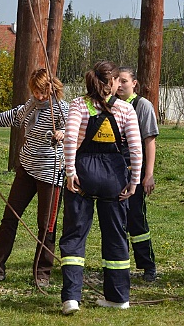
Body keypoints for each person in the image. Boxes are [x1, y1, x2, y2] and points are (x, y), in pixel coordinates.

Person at [0, 68, 69, 288]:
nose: (40, 96)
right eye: (35, 91)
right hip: (26, 169)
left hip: (50, 174)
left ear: (52, 88)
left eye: (43, 92)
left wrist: (63, 134)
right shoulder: (30, 106)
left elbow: (74, 130)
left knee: (46, 226)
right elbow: (11, 116)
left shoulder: (62, 110)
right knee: (9, 217)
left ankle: (42, 273)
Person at [59, 61, 142, 315]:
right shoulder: (127, 109)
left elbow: (71, 138)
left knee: (74, 236)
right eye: (117, 81)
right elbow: (135, 147)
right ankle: (118, 297)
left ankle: (71, 298)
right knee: (116, 236)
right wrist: (134, 180)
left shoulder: (78, 104)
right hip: (114, 177)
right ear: (114, 83)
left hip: (83, 175)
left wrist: (70, 171)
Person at [116, 66, 159, 282]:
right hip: (114, 171)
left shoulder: (142, 105)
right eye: (117, 81)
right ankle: (118, 264)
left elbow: (149, 141)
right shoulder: (111, 104)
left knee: (136, 220)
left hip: (134, 171)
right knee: (117, 220)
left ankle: (147, 266)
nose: (120, 85)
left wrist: (148, 174)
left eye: (124, 81)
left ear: (134, 83)